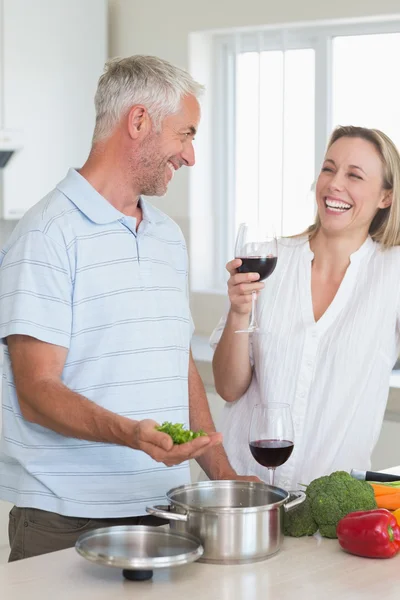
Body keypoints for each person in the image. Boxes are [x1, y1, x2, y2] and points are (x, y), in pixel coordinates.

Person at [0, 55, 255, 563]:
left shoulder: (166, 236)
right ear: (138, 121)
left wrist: (222, 475)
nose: (191, 155)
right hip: (66, 520)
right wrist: (131, 435)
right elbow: (37, 391)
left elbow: (174, 360)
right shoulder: (46, 233)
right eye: (185, 134)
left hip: (163, 510)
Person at [211, 125, 400, 490]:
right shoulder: (270, 260)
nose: (334, 184)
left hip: (331, 511)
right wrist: (238, 312)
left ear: (385, 197)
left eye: (354, 175)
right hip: (246, 493)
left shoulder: (392, 272)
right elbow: (228, 388)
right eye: (328, 168)